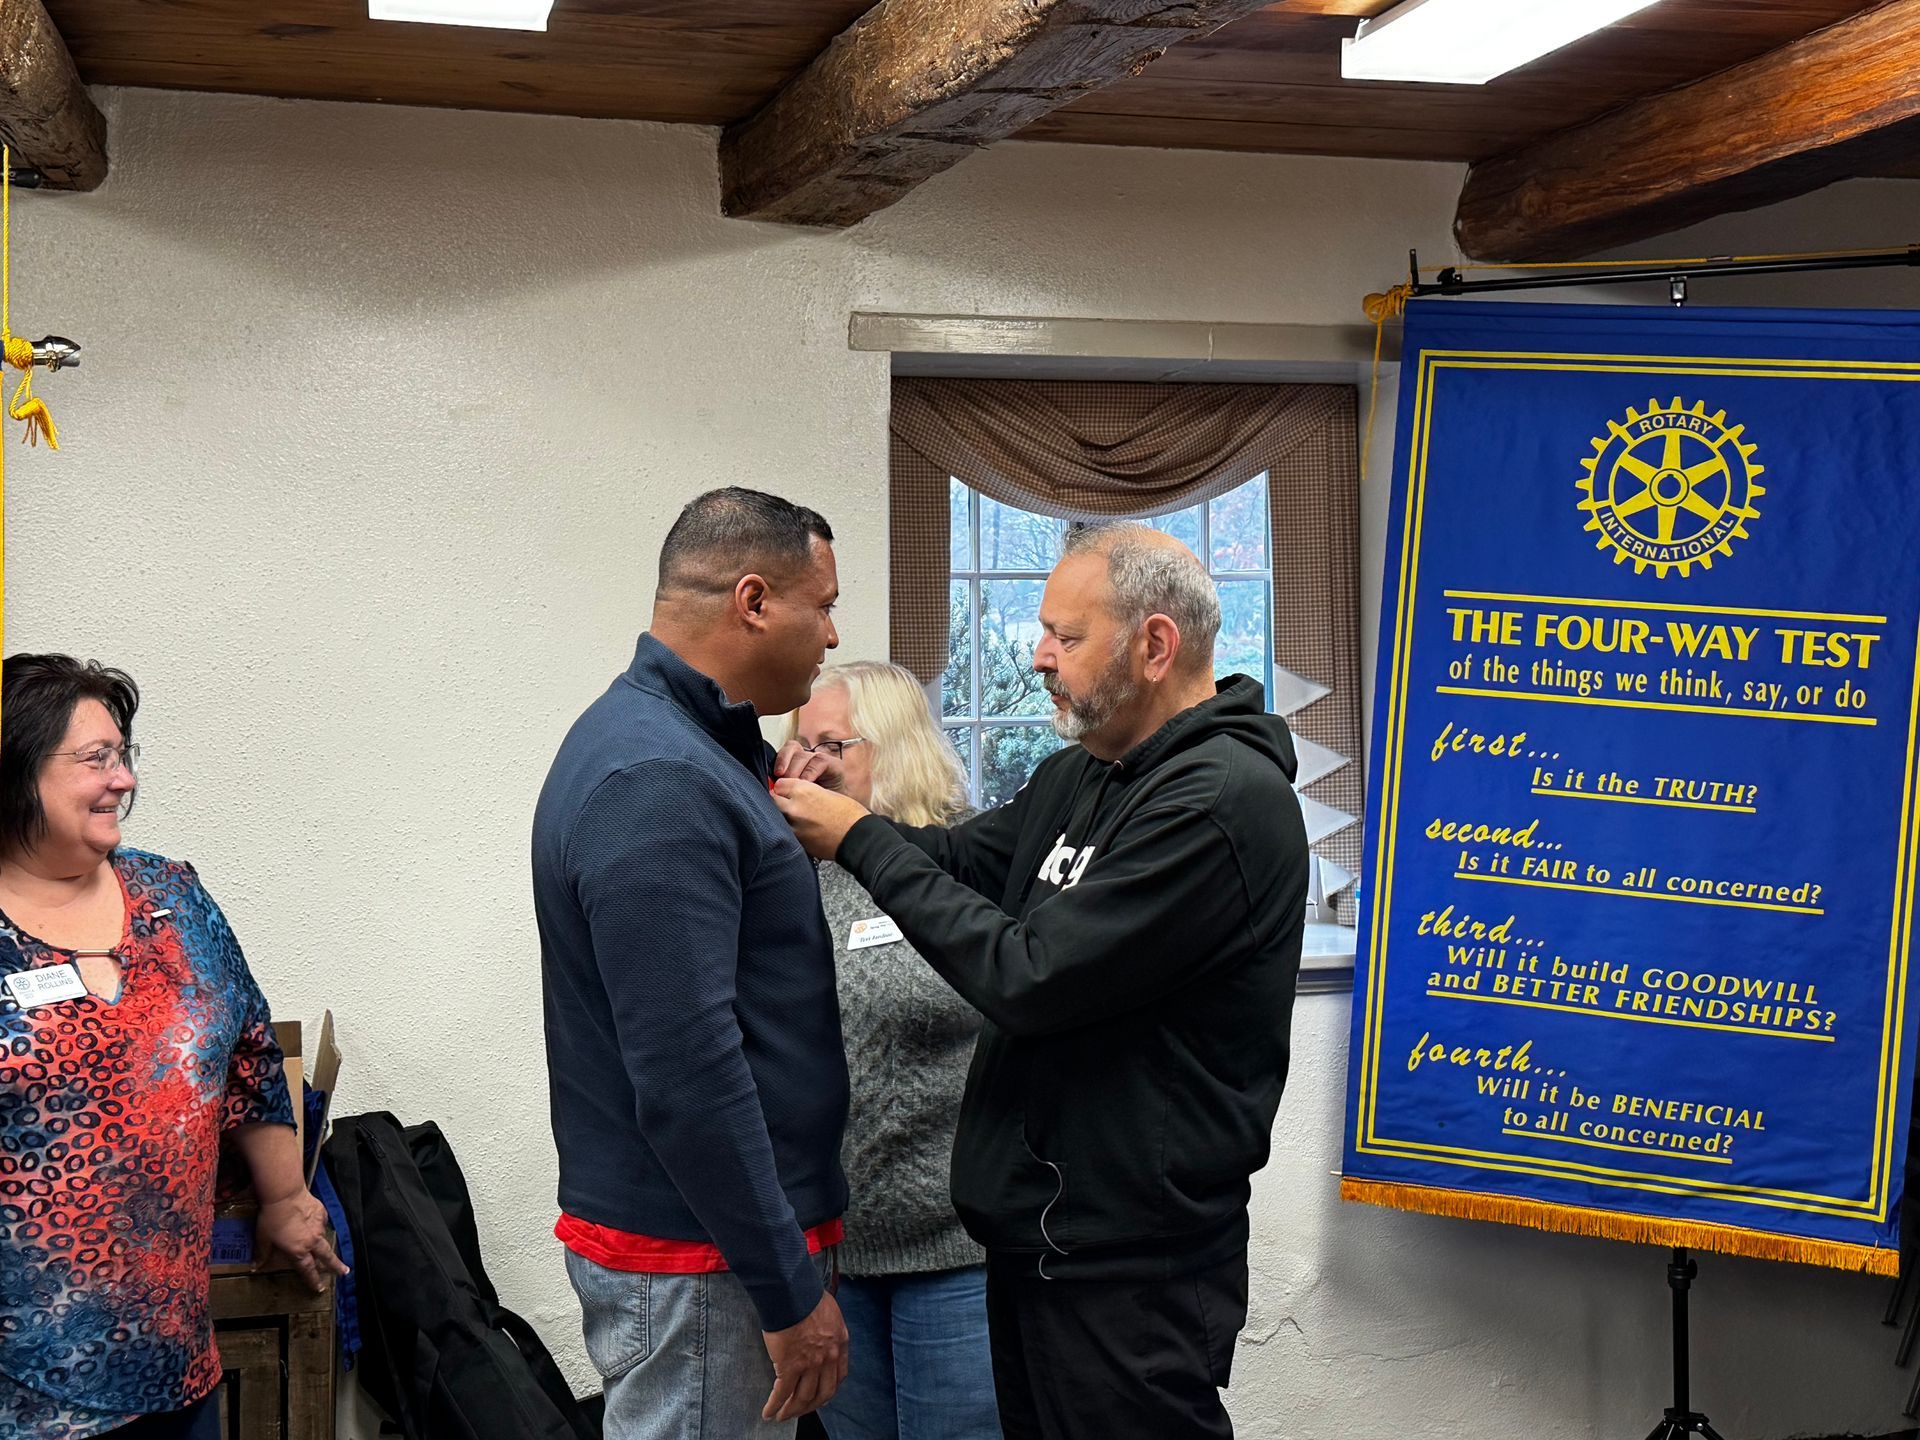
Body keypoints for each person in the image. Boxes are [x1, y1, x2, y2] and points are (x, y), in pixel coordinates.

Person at [774, 524, 1309, 1440]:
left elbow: (1030, 975)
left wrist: (853, 836)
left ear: (1153, 645)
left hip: (1131, 1262)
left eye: (1066, 636)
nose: (1038, 656)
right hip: (1040, 1244)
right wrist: (813, 810)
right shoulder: (1081, 774)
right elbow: (950, 857)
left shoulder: (1218, 801)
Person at [533, 487, 852, 1440]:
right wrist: (786, 1289)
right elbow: (687, 1074)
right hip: (702, 1265)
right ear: (753, 601)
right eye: (823, 605)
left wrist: (769, 807)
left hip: (711, 1253)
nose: (834, 636)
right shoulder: (661, 779)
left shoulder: (693, 750)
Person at [0, 655, 344, 1440]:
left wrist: (287, 1198)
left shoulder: (173, 899)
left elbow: (251, 1056)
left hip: (175, 1362)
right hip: (23, 1395)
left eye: (126, 755)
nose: (122, 779)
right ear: (17, 771)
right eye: (97, 759)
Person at [782, 663, 1000, 1440]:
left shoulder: (964, 863)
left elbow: (987, 992)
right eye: (797, 745)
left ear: (897, 749)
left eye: (832, 745)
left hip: (956, 1254)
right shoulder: (788, 878)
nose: (805, 765)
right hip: (833, 1262)